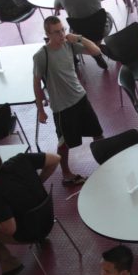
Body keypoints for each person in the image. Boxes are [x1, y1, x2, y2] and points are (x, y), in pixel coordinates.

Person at [0, 144, 60, 275]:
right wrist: (39, 180)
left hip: (32, 232)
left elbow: (10, 229)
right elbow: (55, 159)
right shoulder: (21, 159)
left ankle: (10, 265)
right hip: (48, 218)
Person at [33, 16, 106, 185]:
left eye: (62, 30)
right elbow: (36, 83)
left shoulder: (69, 45)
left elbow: (96, 51)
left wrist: (79, 38)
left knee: (98, 133)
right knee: (64, 144)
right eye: (56, 32)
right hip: (62, 107)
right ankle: (66, 174)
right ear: (47, 34)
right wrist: (41, 110)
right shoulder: (41, 55)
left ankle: (105, 160)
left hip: (80, 98)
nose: (61, 35)